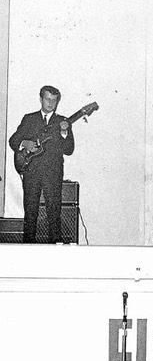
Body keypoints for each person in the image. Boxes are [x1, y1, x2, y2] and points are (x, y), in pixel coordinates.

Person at [9, 85, 74, 243]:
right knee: (30, 213)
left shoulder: (62, 121)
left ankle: (54, 253)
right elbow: (13, 141)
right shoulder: (29, 119)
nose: (50, 103)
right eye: (47, 99)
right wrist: (25, 143)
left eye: (54, 100)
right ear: (41, 99)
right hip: (31, 172)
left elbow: (69, 149)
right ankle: (28, 249)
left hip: (53, 173)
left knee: (54, 214)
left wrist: (64, 133)